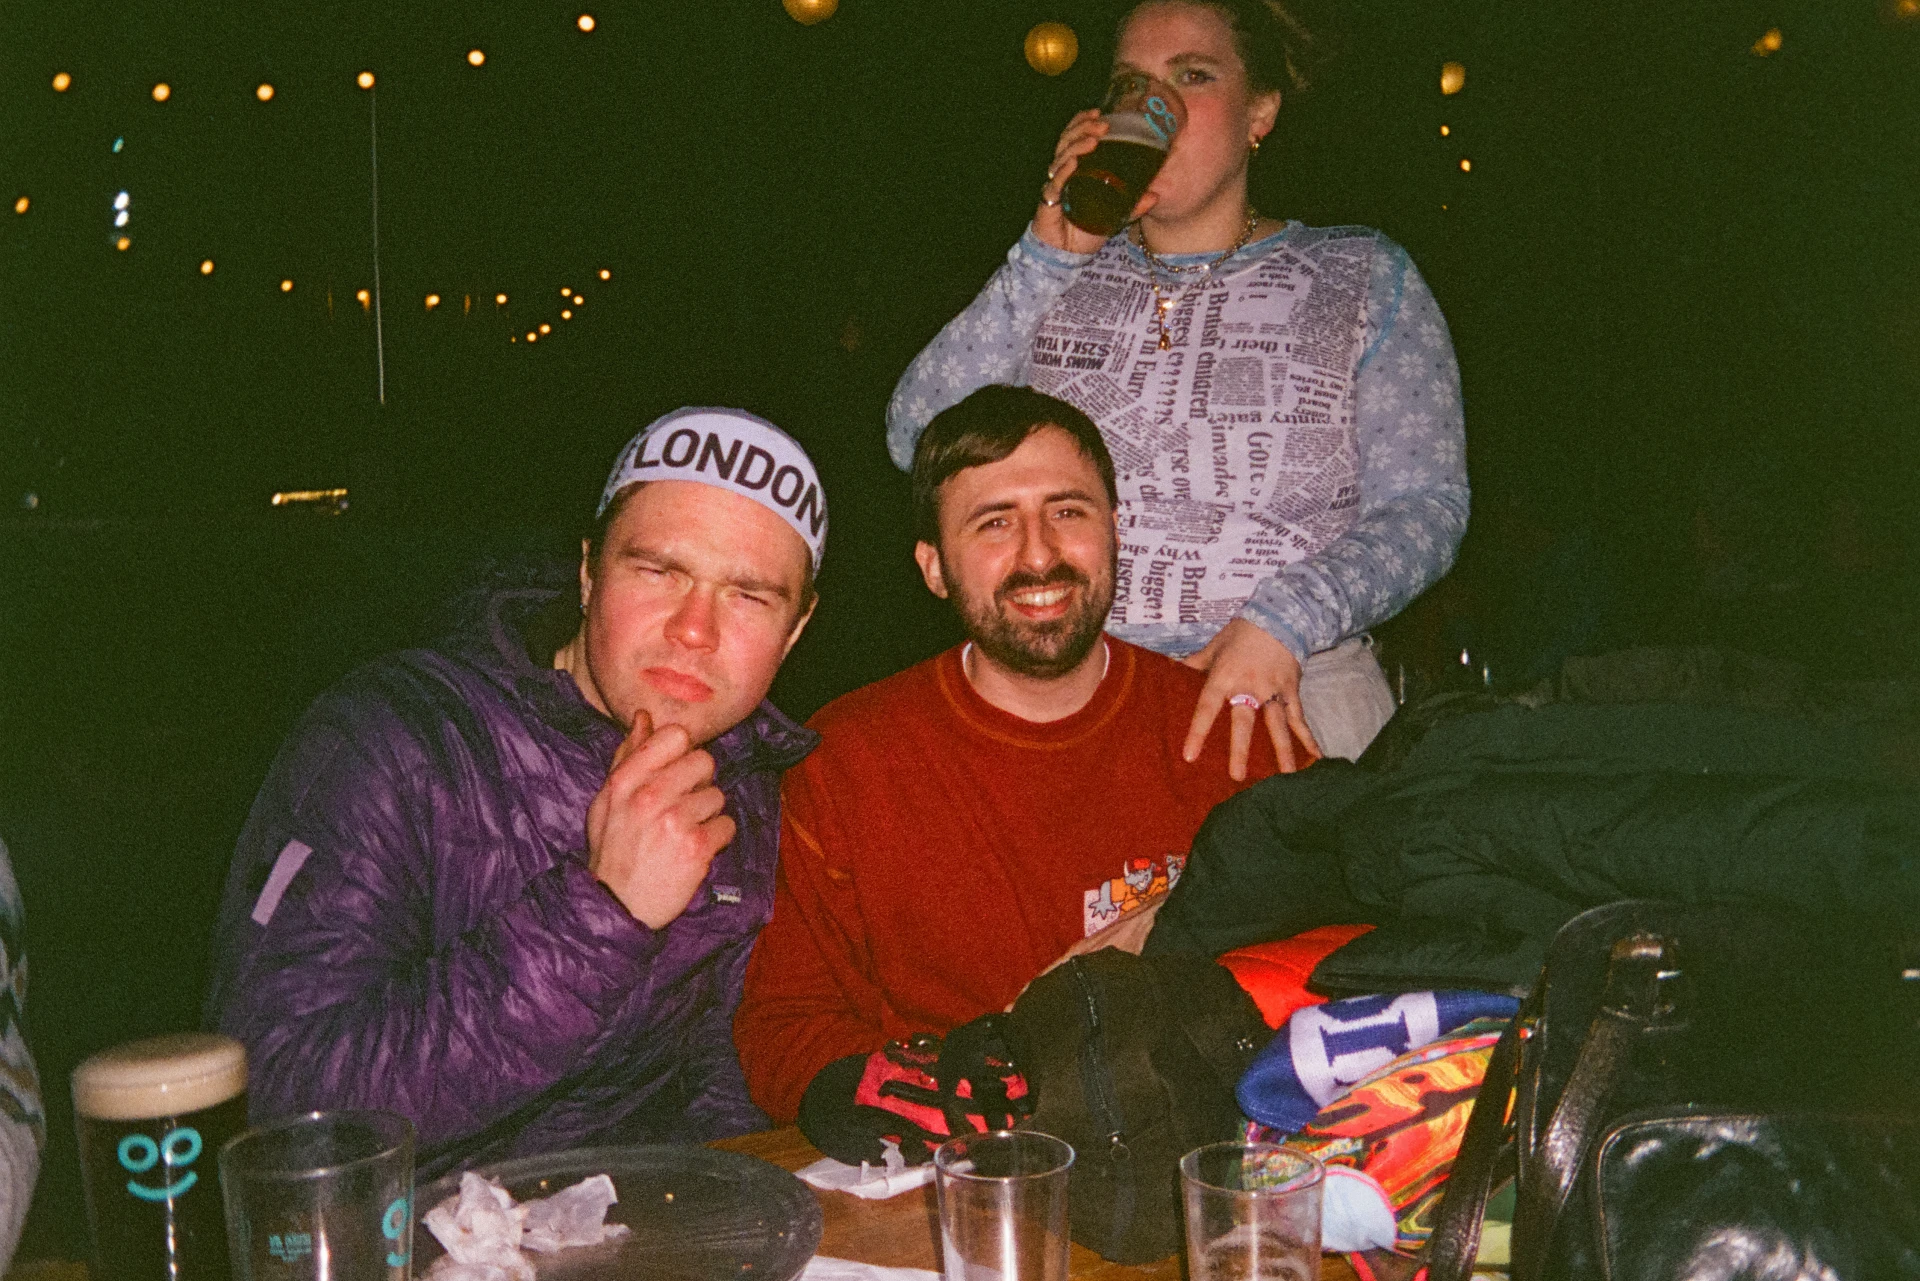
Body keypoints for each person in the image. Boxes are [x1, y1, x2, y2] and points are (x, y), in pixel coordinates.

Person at [205, 408, 825, 1170]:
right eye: (659, 570)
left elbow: (716, 1080)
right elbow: (280, 1109)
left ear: (796, 628)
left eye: (749, 595)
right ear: (589, 571)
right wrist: (601, 912)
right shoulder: (394, 741)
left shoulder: (752, 781)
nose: (695, 627)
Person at [887, 0, 1468, 774]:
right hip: (1078, 701)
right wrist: (1048, 255)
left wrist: (1287, 618)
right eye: (1131, 84)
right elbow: (916, 436)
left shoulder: (1358, 275)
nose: (1151, 107)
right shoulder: (1056, 278)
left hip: (1288, 693)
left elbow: (1427, 506)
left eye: (1192, 76)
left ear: (1260, 112)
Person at [733, 385, 1283, 1128]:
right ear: (934, 567)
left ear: (1115, 530)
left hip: (1199, 1141)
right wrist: (969, 1093)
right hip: (957, 1159)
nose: (1039, 554)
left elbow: (1338, 952)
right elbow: (784, 1025)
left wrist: (1186, 919)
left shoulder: (1231, 731)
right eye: (994, 522)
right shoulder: (845, 761)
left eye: (1068, 511)